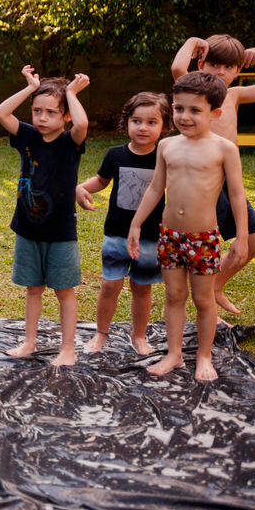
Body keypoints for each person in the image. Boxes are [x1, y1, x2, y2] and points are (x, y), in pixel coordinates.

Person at [128, 72, 247, 381]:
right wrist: (136, 223)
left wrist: (242, 238)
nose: (185, 116)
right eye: (179, 108)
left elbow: (236, 195)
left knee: (204, 299)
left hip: (204, 239)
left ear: (215, 113)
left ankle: (204, 356)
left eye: (195, 110)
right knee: (173, 295)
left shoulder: (224, 149)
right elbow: (155, 188)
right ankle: (175, 353)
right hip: (170, 235)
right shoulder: (166, 146)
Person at [0, 66, 90, 367]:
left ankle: (68, 348)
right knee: (32, 289)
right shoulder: (27, 136)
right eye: (37, 111)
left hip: (61, 232)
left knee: (64, 291)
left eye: (51, 112)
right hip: (27, 229)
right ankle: (29, 341)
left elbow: (83, 122)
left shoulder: (69, 142)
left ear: (65, 116)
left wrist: (71, 93)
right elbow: (1, 112)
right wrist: (30, 87)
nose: (43, 118)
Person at [171, 35, 255, 318]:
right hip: (200, 182)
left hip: (229, 181)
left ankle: (215, 287)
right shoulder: (193, 91)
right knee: (206, 247)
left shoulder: (234, 95)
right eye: (213, 64)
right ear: (201, 63)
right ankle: (204, 306)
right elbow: (178, 68)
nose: (220, 72)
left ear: (238, 71)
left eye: (228, 67)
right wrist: (192, 41)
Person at [76, 92, 171, 355]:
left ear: (164, 125)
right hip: (116, 233)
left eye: (152, 122)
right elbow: (101, 180)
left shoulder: (165, 157)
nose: (143, 128)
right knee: (109, 286)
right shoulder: (115, 154)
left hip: (150, 236)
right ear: (126, 122)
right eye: (136, 121)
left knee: (142, 287)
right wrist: (80, 188)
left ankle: (139, 336)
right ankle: (100, 333)